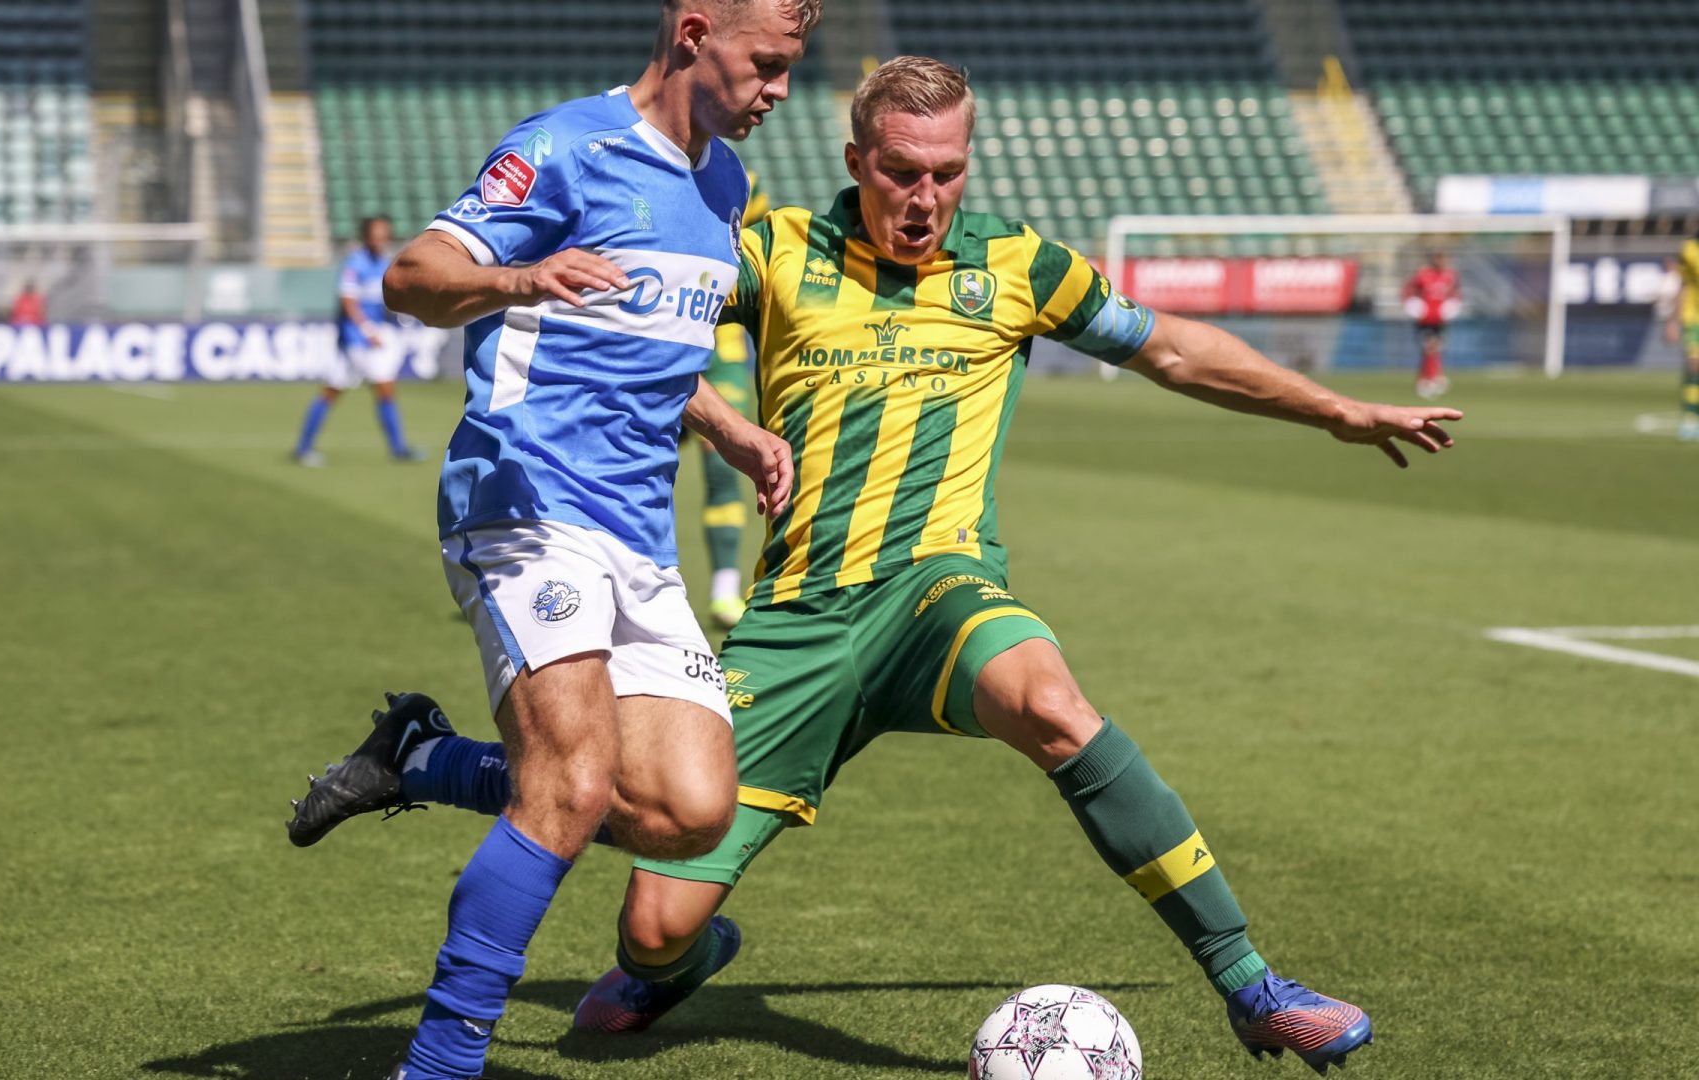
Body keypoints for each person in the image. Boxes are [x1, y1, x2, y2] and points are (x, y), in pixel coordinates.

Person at [312, 57, 1465, 1076]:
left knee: (1056, 706)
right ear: (857, 158)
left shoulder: (1019, 266)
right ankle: (469, 788)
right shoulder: (769, 248)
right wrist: (708, 412)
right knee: (655, 918)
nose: (925, 197)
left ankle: (1255, 987)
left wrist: (1333, 411)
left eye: (947, 173)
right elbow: (643, 341)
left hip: (940, 595)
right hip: (799, 624)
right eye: (903, 171)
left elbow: (1169, 346)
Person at [282, 4, 820, 1079]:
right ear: (693, 32)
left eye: (790, 70)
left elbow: (654, 351)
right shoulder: (563, 149)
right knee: (572, 786)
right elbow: (413, 279)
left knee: (686, 813)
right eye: (765, 64)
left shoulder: (723, 186)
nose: (779, 91)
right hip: (522, 501)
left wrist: (730, 428)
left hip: (639, 535)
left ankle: (420, 761)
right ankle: (439, 1063)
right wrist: (521, 277)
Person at [293, 215, 421, 466]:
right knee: (384, 388)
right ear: (366, 236)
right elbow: (348, 301)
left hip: (366, 336)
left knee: (332, 390)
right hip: (358, 338)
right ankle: (398, 448)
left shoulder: (384, 263)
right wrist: (366, 330)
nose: (380, 239)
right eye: (376, 234)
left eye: (384, 234)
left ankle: (303, 447)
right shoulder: (355, 263)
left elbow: (383, 303)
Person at [701, 171, 771, 628]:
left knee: (722, 468)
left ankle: (724, 589)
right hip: (655, 340)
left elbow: (758, 254)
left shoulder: (745, 182)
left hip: (720, 346)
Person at [1402, 250, 1460, 400]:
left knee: (1435, 349)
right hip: (1425, 318)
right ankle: (1426, 380)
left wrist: (1452, 306)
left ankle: (1434, 377)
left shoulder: (1450, 275)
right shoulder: (1423, 274)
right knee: (1429, 348)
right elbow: (1408, 290)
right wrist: (1414, 306)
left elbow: (1455, 293)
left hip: (1439, 318)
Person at [1662, 233, 1699, 441]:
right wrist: (1673, 320)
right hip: (1695, 316)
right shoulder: (1689, 249)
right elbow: (1684, 285)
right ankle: (1690, 418)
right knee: (1694, 364)